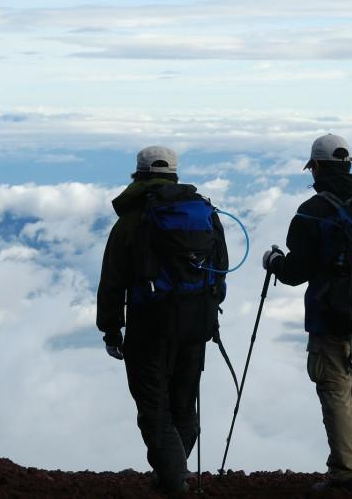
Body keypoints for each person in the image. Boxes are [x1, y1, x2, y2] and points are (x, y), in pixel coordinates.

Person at [97, 146, 228, 494]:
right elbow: (221, 270)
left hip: (149, 325)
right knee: (184, 404)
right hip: (196, 324)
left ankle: (173, 481)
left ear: (138, 174)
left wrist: (110, 329)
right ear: (175, 173)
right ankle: (174, 474)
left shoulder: (131, 221)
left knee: (154, 406)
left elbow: (112, 282)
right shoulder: (204, 214)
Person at [262, 134, 352, 495]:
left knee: (334, 388)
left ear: (315, 167)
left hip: (330, 316)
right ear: (350, 165)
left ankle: (344, 473)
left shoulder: (311, 212)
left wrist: (274, 263)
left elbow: (295, 272)